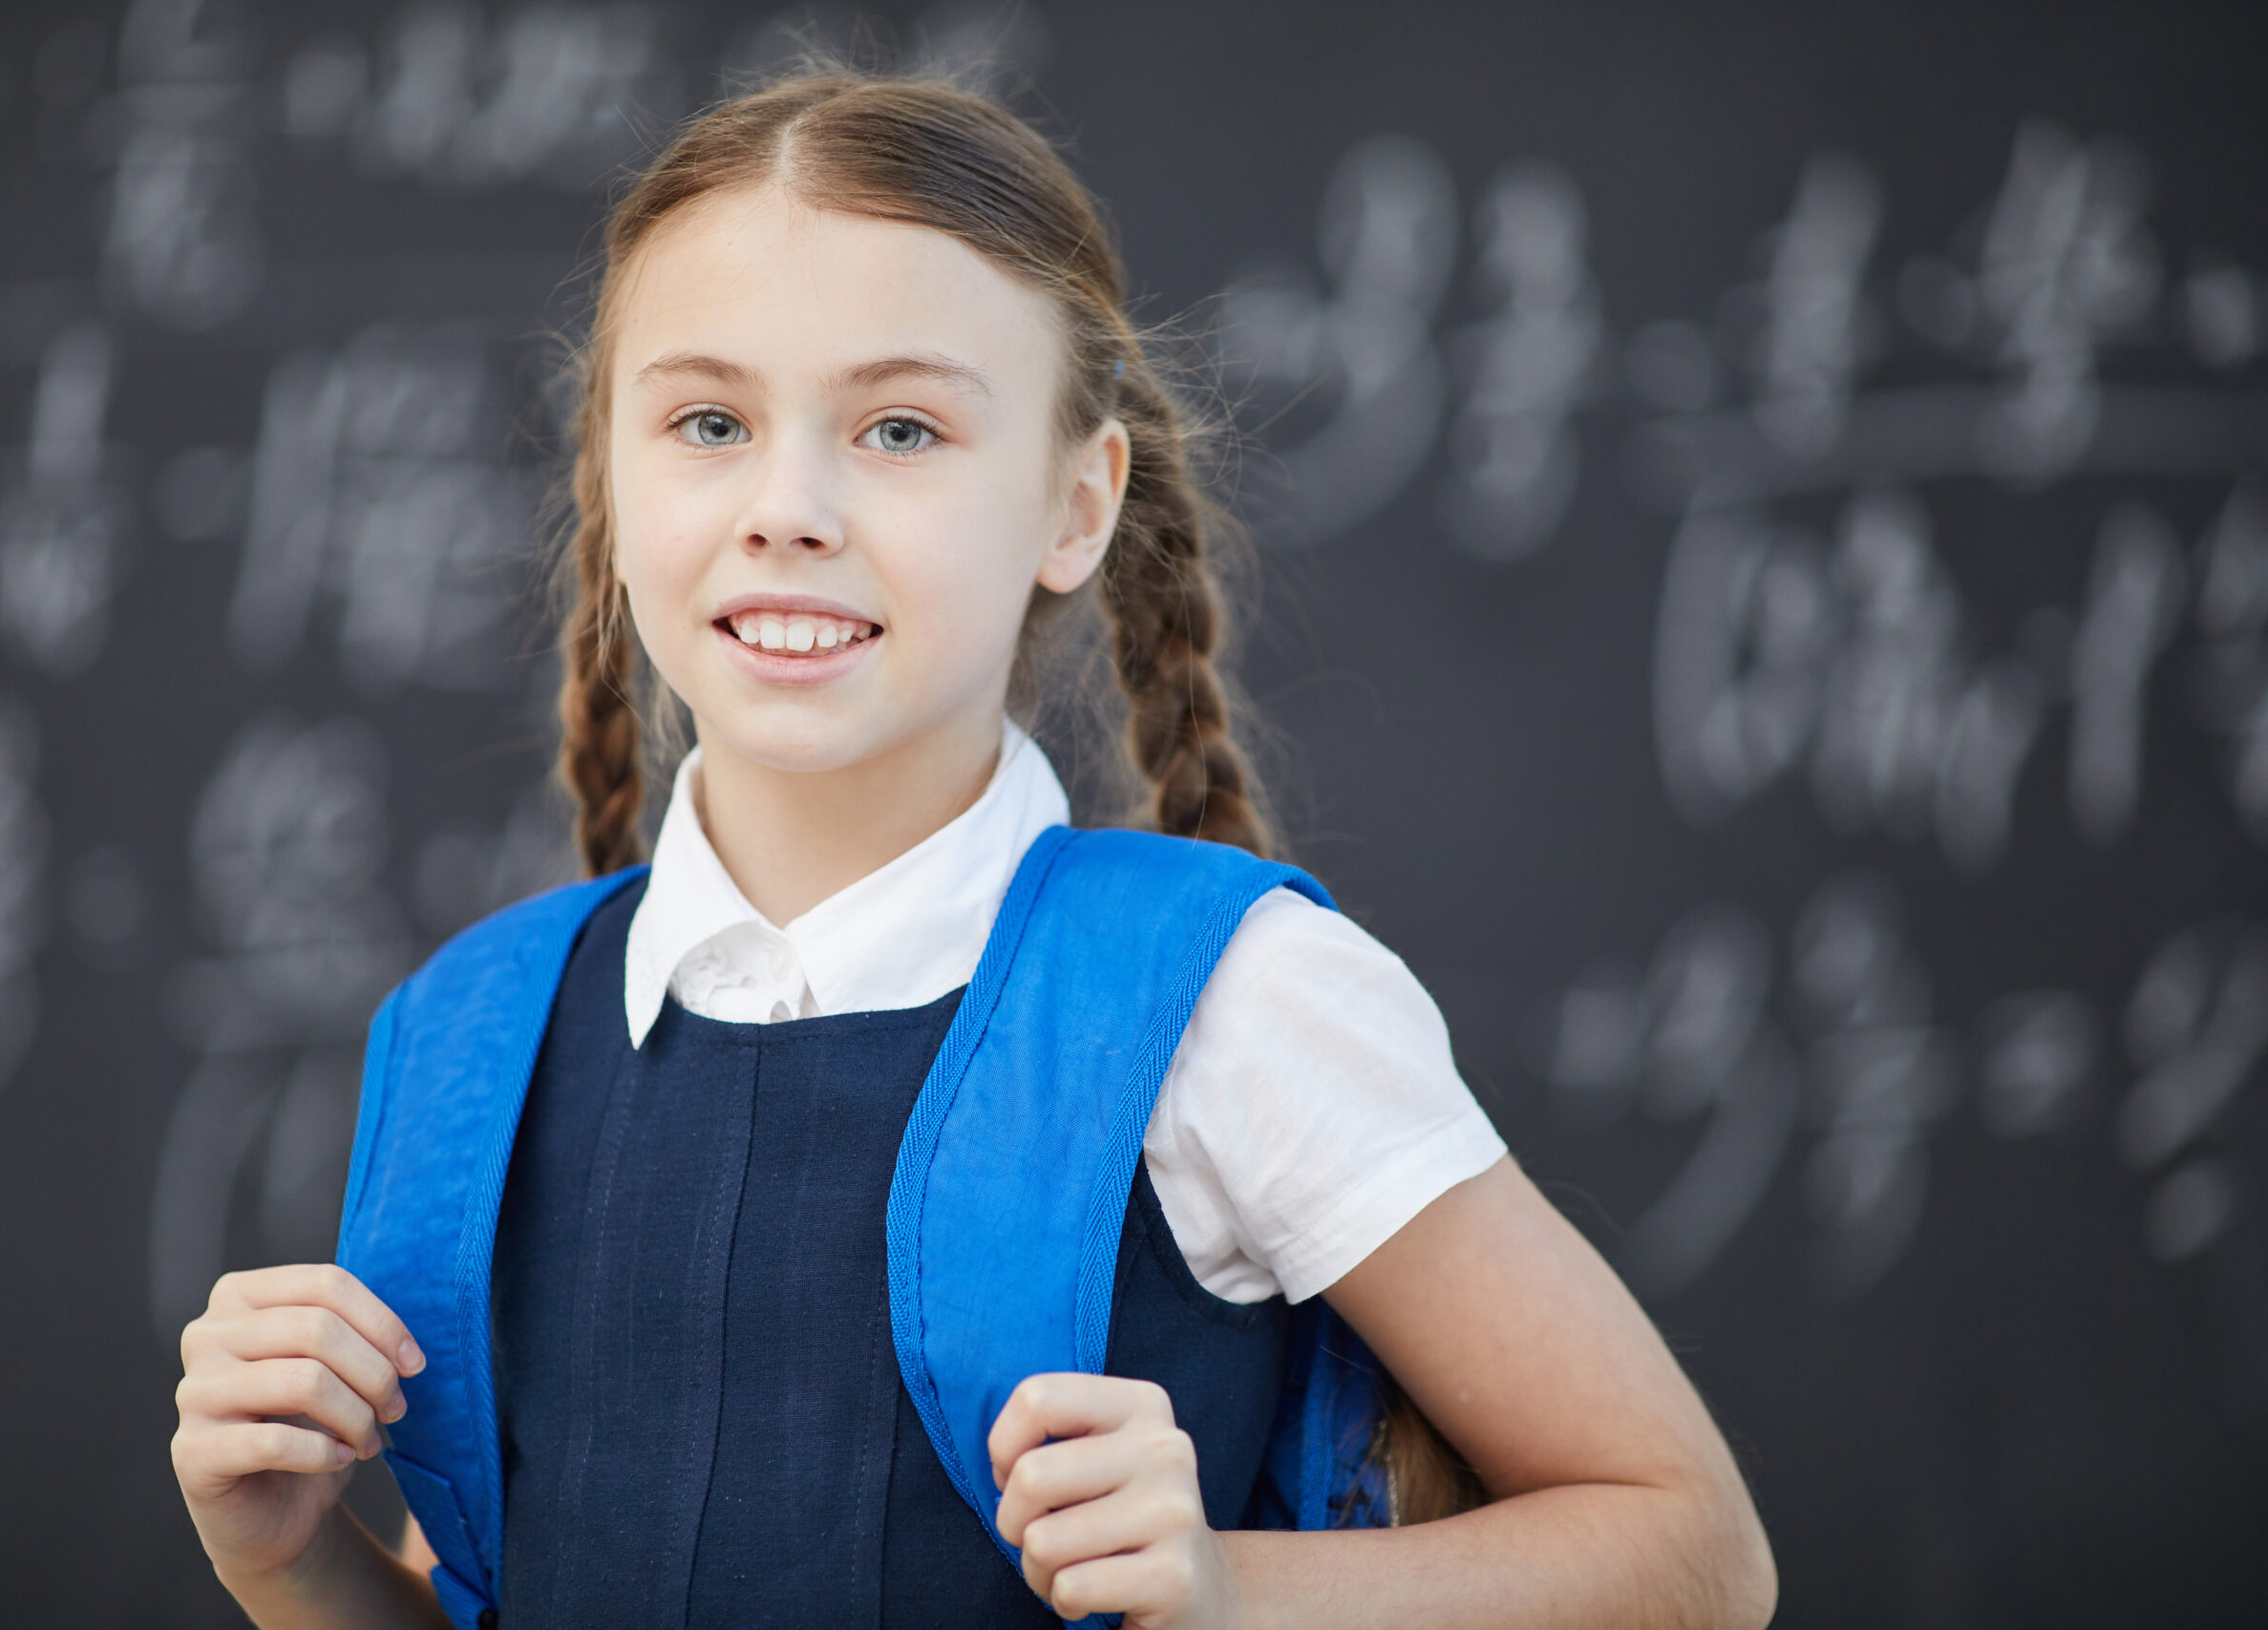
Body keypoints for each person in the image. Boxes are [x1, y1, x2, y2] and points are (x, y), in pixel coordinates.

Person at [170, 67, 1777, 1630]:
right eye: (710, 420)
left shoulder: (1226, 996)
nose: (788, 506)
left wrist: (1233, 1593)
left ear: (1076, 507)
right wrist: (290, 1567)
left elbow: (1690, 1551)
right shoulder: (465, 1038)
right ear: (607, 471)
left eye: (901, 432)